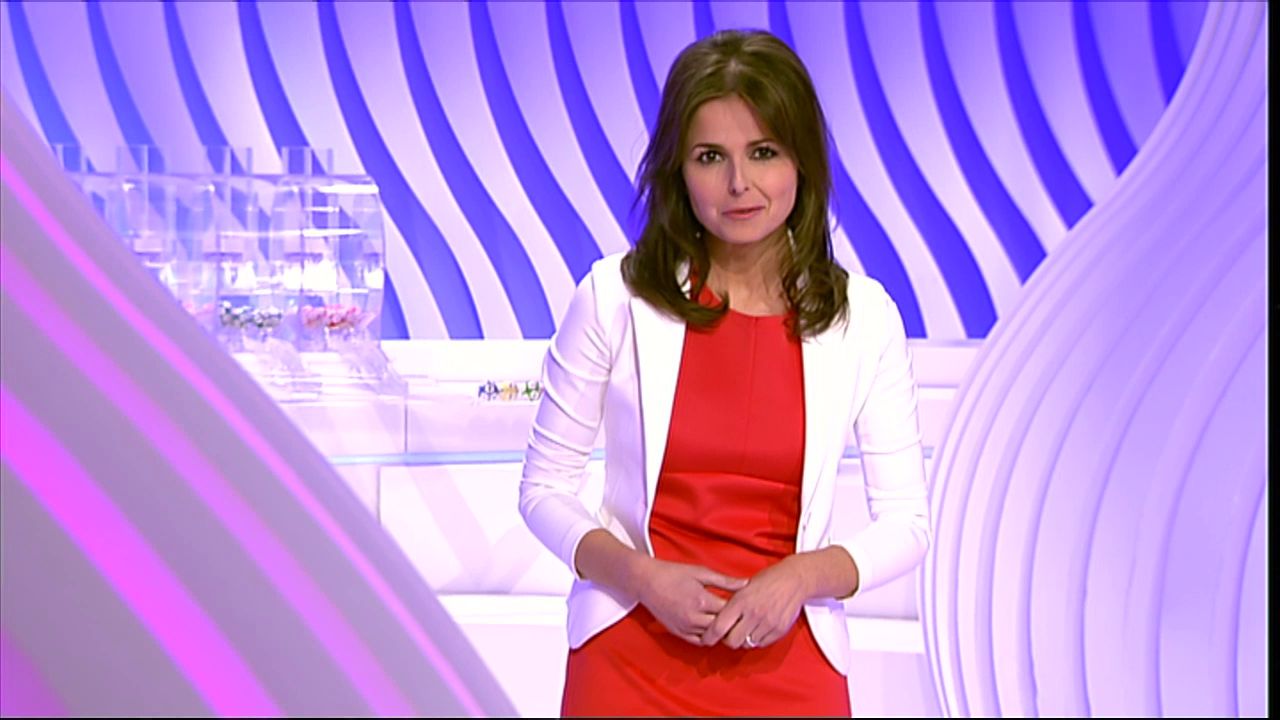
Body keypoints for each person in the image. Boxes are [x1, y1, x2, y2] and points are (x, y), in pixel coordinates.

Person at [519, 28, 930, 717]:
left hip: (789, 657)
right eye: (711, 157)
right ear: (678, 169)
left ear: (802, 161)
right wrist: (642, 577)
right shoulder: (614, 298)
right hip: (631, 656)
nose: (740, 184)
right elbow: (543, 490)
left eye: (764, 152)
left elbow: (907, 523)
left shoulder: (865, 317)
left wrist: (801, 578)